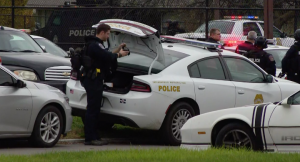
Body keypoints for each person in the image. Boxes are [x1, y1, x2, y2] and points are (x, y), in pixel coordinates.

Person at [81, 23, 129, 146]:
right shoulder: (95, 45)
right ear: (102, 32)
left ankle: (94, 135)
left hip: (94, 79)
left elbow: (106, 55)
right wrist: (120, 54)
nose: (108, 36)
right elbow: (107, 56)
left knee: (95, 108)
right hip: (93, 80)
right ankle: (89, 138)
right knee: (93, 109)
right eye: (107, 34)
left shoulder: (96, 45)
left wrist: (118, 49)